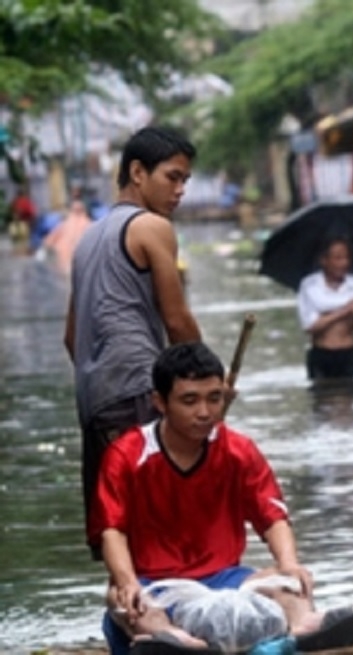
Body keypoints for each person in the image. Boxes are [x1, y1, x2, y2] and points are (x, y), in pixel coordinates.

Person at [91, 342, 353, 655]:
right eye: (190, 401)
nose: (204, 412)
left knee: (285, 581)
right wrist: (126, 580)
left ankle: (303, 626)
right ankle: (176, 642)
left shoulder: (238, 450)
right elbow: (112, 529)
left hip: (227, 579)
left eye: (214, 399)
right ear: (160, 402)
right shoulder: (125, 455)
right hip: (158, 584)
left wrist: (289, 563)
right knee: (122, 598)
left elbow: (272, 516)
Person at [64, 126, 203, 559]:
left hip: (95, 399)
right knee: (166, 520)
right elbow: (177, 322)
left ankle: (135, 608)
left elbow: (71, 339)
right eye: (172, 177)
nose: (180, 190)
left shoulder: (88, 239)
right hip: (139, 389)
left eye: (185, 181)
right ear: (138, 172)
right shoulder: (152, 227)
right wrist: (206, 381)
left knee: (119, 528)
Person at [297, 238, 353, 381]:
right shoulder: (310, 285)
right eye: (337, 258)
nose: (343, 263)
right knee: (321, 398)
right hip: (321, 353)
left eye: (346, 258)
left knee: (350, 396)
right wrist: (344, 311)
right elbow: (310, 326)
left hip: (348, 352)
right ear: (324, 260)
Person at [42, 200, 93, 275]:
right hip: (84, 264)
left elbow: (48, 241)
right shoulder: (89, 224)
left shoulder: (64, 224)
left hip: (65, 264)